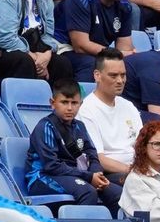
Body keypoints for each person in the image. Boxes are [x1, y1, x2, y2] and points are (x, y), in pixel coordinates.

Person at [26, 79, 120, 214]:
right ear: (52, 103)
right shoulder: (45, 126)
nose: (70, 108)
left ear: (80, 104)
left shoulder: (79, 126)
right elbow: (51, 166)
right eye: (64, 102)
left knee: (117, 194)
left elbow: (92, 154)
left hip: (73, 175)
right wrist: (89, 177)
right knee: (88, 192)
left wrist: (96, 173)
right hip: (41, 177)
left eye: (74, 103)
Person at [57, 0, 138, 81]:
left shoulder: (125, 5)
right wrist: (114, 55)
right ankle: (83, 99)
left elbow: (124, 46)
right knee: (92, 64)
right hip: (63, 48)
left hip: (99, 52)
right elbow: (80, 46)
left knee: (127, 66)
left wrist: (124, 56)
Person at [76, 49, 142, 185]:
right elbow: (98, 158)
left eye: (123, 75)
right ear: (97, 75)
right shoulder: (87, 110)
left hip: (137, 170)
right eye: (113, 75)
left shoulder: (129, 106)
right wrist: (133, 171)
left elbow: (143, 146)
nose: (120, 80)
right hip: (111, 174)